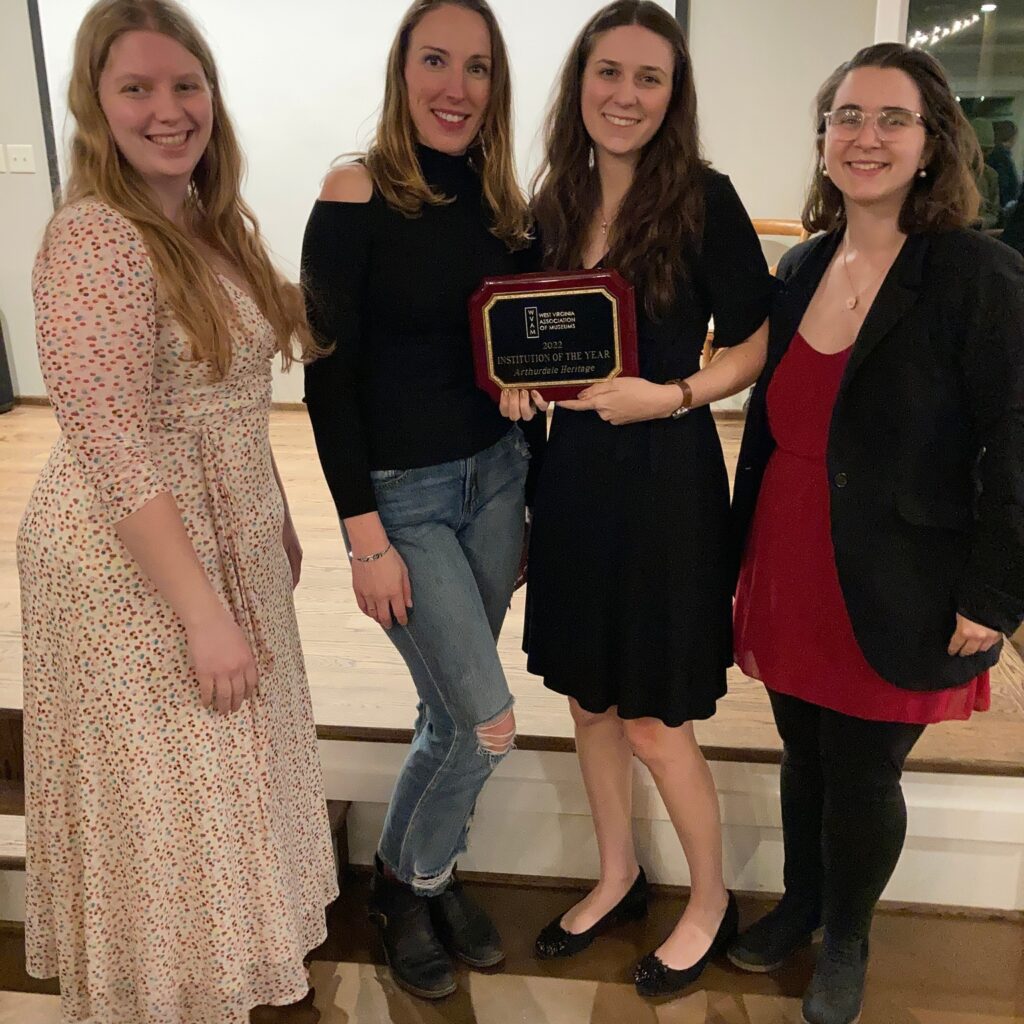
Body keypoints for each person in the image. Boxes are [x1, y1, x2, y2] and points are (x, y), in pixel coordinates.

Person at [17, 2, 339, 1022]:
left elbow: (234, 392)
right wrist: (203, 610)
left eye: (185, 85)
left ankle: (212, 981)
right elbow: (114, 441)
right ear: (94, 105)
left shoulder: (208, 220)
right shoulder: (95, 238)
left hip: (224, 534)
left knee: (220, 786)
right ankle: (164, 997)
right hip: (134, 568)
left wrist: (276, 512)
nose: (168, 110)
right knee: (171, 801)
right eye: (137, 89)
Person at [730, 42, 1024, 1024]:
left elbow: (1015, 444)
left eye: (891, 118)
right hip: (790, 554)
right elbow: (770, 420)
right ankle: (802, 906)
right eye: (847, 116)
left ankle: (846, 935)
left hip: (901, 572)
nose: (865, 136)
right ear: (822, 139)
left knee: (861, 768)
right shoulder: (802, 262)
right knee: (801, 750)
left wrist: (993, 594)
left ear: (932, 142)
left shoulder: (978, 276)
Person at [504, 0, 771, 999]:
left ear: (673, 95)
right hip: (569, 475)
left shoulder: (705, 198)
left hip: (665, 479)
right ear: (580, 83)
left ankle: (709, 899)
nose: (624, 95)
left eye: (648, 78)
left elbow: (756, 340)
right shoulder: (550, 203)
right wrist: (514, 378)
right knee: (588, 700)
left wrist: (675, 393)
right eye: (607, 73)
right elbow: (523, 336)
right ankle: (616, 873)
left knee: (658, 718)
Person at [301, 0, 538, 1002]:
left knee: (444, 707)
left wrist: (529, 396)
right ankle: (413, 881)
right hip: (403, 499)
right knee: (484, 721)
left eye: (476, 68)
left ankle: (411, 884)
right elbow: (327, 375)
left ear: (496, 85)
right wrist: (364, 539)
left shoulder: (505, 206)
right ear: (403, 74)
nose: (455, 86)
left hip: (495, 480)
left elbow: (515, 348)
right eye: (434, 62)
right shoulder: (353, 191)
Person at [969, 118, 1001, 228]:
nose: (981, 155)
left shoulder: (990, 175)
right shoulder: (950, 171)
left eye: (986, 151)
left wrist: (982, 221)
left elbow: (994, 213)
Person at [987, 119, 1020, 209]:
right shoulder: (1002, 157)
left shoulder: (991, 153)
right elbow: (1005, 185)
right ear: (1011, 137)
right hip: (1000, 207)